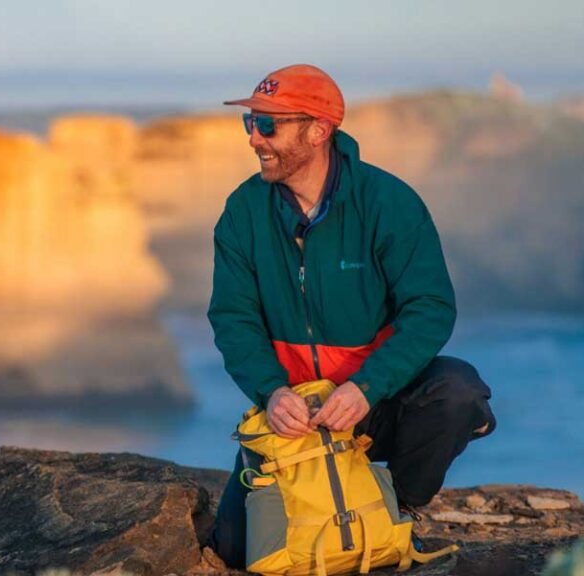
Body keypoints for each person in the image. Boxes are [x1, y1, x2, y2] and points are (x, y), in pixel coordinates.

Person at [204, 64, 497, 569]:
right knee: (234, 549)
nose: (254, 138)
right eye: (250, 123)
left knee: (457, 390)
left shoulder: (388, 203)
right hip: (296, 414)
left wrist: (366, 387)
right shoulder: (243, 211)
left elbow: (430, 309)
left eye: (268, 125)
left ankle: (397, 509)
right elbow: (234, 318)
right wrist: (271, 392)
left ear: (318, 131)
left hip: (374, 401)